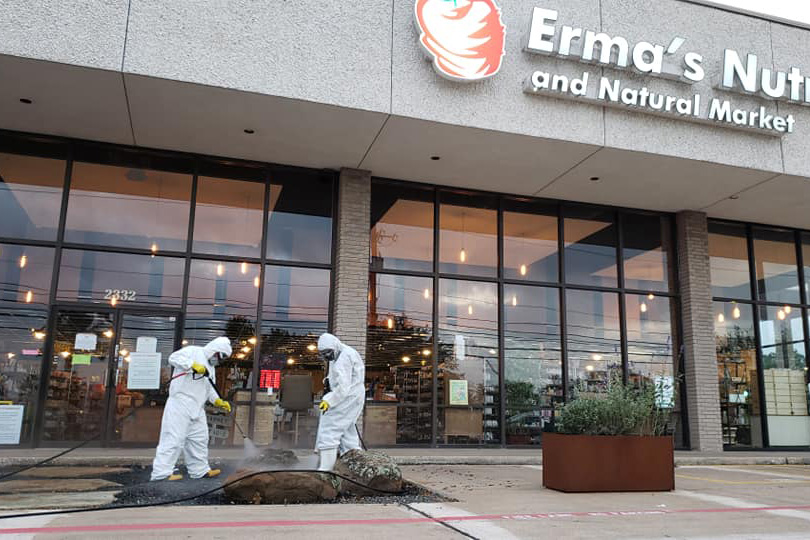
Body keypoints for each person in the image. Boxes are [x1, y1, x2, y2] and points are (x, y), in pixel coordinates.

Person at [150, 336, 233, 481]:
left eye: (223, 358)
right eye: (220, 356)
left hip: (197, 407)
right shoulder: (193, 352)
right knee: (173, 438)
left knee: (199, 439)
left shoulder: (211, 369)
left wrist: (218, 400)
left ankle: (199, 471)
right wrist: (192, 364)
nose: (219, 360)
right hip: (180, 403)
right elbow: (173, 357)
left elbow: (209, 388)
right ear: (214, 350)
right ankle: (161, 473)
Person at [315, 333, 365, 471]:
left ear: (335, 346)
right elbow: (336, 377)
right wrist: (327, 383)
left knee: (330, 428)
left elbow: (343, 387)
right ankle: (354, 465)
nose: (327, 356)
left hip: (348, 396)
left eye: (328, 353)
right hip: (350, 395)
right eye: (323, 354)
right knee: (347, 430)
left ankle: (325, 470)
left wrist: (329, 400)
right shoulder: (338, 355)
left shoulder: (344, 357)